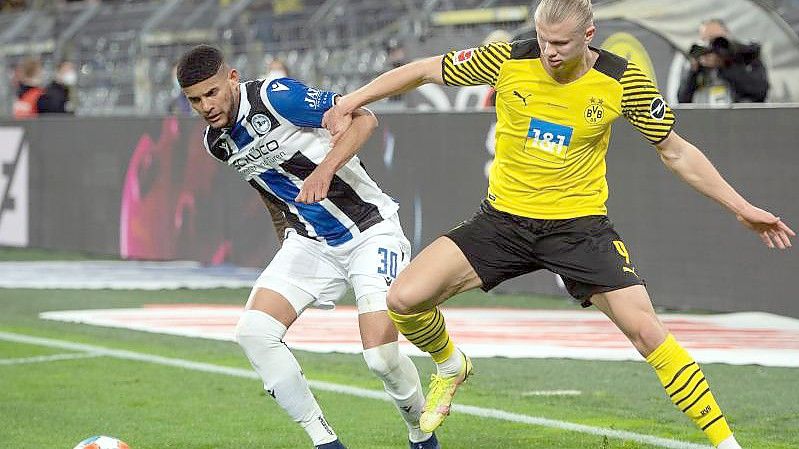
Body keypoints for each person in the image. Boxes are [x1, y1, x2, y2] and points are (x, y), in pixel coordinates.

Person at [323, 1, 795, 448]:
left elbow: (676, 151)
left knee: (647, 331)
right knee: (403, 300)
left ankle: (726, 442)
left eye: (561, 44)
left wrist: (741, 206)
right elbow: (423, 68)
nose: (549, 51)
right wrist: (352, 100)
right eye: (543, 40)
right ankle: (450, 364)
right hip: (503, 222)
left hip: (579, 230)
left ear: (588, 36)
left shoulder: (622, 80)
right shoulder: (507, 59)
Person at [176, 45, 440, 449]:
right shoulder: (217, 143)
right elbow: (268, 189)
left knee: (382, 359)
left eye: (211, 93)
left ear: (231, 78)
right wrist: (284, 237)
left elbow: (364, 120)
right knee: (254, 332)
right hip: (311, 244)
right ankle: (325, 442)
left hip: (370, 230)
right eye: (195, 100)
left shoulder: (275, 96)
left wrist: (324, 169)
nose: (206, 106)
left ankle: (421, 436)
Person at [678, 19, 769, 104]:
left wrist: (726, 65)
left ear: (727, 37)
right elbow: (682, 99)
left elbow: (760, 92)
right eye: (706, 39)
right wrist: (694, 72)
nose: (711, 46)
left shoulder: (745, 56)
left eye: (716, 40)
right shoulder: (697, 62)